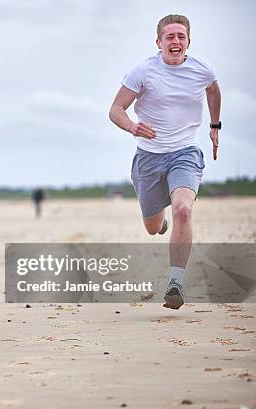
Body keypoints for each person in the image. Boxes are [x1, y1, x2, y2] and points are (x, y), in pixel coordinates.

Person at [109, 14, 221, 309]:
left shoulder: (202, 71)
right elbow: (116, 109)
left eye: (180, 36)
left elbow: (213, 90)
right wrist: (133, 127)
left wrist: (215, 125)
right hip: (148, 157)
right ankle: (161, 224)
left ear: (189, 42)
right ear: (159, 42)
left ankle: (175, 282)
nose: (175, 41)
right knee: (152, 226)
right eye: (169, 37)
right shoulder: (143, 71)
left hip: (185, 152)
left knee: (184, 210)